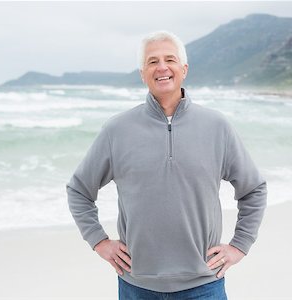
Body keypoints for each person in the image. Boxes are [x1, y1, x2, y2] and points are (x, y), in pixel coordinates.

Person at [66, 30, 267, 299]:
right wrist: (99, 241)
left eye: (169, 59)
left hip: (204, 284)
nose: (162, 67)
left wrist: (240, 245)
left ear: (184, 69)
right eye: (152, 61)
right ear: (142, 73)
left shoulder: (217, 127)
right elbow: (79, 190)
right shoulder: (117, 130)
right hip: (136, 286)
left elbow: (253, 189)